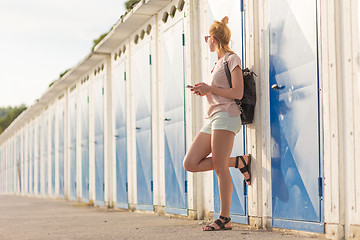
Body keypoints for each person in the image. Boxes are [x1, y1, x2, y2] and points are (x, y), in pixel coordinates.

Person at [183, 16, 251, 231]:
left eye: (206, 38)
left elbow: (237, 92)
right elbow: (219, 91)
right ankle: (240, 162)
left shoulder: (232, 59)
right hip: (213, 117)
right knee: (190, 163)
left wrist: (210, 89)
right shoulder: (217, 64)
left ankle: (225, 218)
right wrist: (204, 89)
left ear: (212, 39)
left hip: (226, 116)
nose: (206, 42)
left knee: (220, 168)